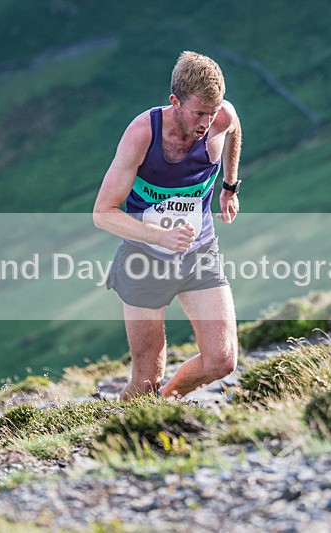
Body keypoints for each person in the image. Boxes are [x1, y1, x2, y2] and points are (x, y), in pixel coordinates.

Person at [93, 51, 243, 400]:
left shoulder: (223, 117)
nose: (207, 121)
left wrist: (230, 186)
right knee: (146, 380)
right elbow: (103, 213)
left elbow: (234, 129)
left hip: (199, 252)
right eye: (199, 112)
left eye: (213, 110)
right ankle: (122, 430)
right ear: (175, 101)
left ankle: (166, 402)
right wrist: (161, 236)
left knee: (222, 361)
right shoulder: (143, 134)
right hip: (144, 257)